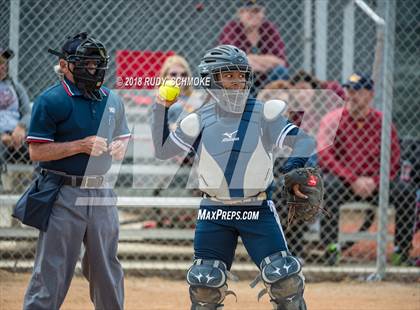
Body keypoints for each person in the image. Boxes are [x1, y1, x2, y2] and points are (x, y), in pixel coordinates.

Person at [152, 45, 318, 310]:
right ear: (211, 80)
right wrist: (160, 109)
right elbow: (163, 152)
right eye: (228, 75)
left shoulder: (263, 113)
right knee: (205, 285)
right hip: (214, 212)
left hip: (257, 209)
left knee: (285, 281)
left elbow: (305, 142)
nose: (237, 81)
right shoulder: (199, 119)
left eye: (241, 75)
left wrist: (292, 171)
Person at [22, 32, 130, 309]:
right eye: (85, 63)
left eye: (96, 63)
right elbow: (36, 152)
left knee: (105, 266)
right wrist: (79, 146)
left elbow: (122, 137)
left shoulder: (112, 99)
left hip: (101, 191)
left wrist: (120, 146)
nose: (92, 69)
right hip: (62, 192)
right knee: (53, 269)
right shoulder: (52, 100)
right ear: (64, 64)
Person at [317, 73, 416, 266]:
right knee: (327, 186)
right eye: (349, 91)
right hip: (345, 183)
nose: (351, 95)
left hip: (376, 184)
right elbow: (325, 156)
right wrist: (352, 179)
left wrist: (376, 181)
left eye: (358, 91)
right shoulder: (335, 119)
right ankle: (331, 248)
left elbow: (394, 159)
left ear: (370, 95)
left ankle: (401, 251)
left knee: (407, 192)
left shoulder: (382, 122)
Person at [218, 0, 288, 92]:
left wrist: (249, 59)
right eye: (249, 11)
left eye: (257, 11)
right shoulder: (232, 29)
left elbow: (281, 62)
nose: (253, 15)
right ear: (240, 13)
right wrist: (265, 61)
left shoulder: (269, 29)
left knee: (280, 71)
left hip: (266, 79)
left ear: (263, 13)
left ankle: (272, 103)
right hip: (241, 79)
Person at [0, 47, 32, 192]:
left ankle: (36, 190)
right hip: (2, 139)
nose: (3, 66)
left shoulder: (14, 86)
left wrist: (21, 128)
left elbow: (27, 112)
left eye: (4, 62)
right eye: (0, 62)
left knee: (41, 147)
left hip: (18, 136)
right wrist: (2, 135)